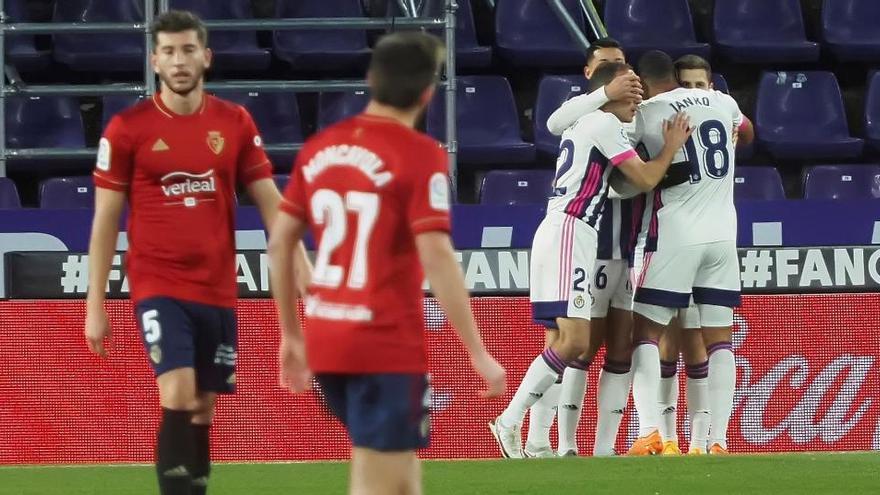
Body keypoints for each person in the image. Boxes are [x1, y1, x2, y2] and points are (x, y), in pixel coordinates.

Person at [267, 32, 506, 495]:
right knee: (380, 482)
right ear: (428, 93)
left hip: (326, 337)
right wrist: (478, 352)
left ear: (371, 79)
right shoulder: (419, 155)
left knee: (394, 478)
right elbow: (436, 256)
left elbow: (279, 246)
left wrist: (291, 335)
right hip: (382, 342)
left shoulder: (320, 148)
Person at [84, 10, 311, 495]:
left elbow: (272, 202)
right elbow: (105, 220)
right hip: (157, 281)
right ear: (154, 61)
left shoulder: (233, 122)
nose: (178, 60)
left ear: (205, 57)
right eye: (168, 51)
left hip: (217, 287)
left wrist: (301, 259)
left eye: (187, 50)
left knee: (204, 405)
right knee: (180, 391)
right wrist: (95, 305)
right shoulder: (128, 129)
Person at [490, 61, 692, 459]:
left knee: (567, 340)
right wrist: (671, 146)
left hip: (564, 230)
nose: (637, 102)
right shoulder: (601, 125)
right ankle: (510, 421)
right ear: (610, 91)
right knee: (575, 342)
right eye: (630, 95)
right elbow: (646, 179)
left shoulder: (582, 123)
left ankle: (522, 430)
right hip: (572, 231)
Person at [626, 51, 751, 456]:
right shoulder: (725, 102)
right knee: (720, 340)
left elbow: (620, 158)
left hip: (677, 234)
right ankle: (718, 440)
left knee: (645, 332)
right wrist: (736, 136)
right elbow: (747, 129)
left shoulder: (649, 111)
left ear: (643, 83)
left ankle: (649, 433)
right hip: (723, 236)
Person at [530, 37, 644, 458]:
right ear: (592, 74)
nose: (618, 71)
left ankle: (602, 449)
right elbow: (553, 123)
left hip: (625, 244)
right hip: (582, 243)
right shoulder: (585, 115)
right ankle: (547, 440)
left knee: (619, 348)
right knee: (569, 344)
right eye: (608, 65)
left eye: (622, 64)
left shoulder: (632, 113)